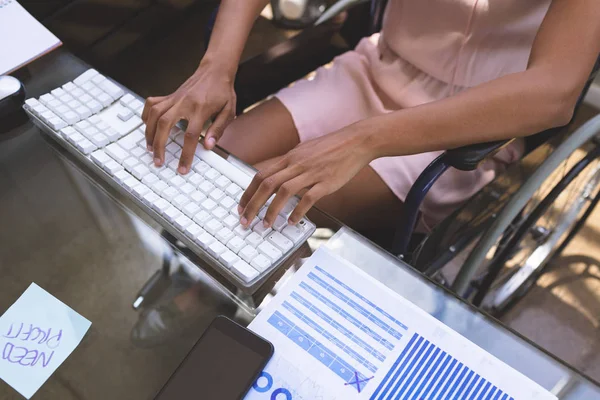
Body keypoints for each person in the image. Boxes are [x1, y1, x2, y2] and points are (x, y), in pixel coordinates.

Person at [142, 0, 600, 233]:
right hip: (376, 67)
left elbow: (553, 92)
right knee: (197, 167)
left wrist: (365, 139)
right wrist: (216, 65)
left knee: (251, 212)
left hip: (469, 120)